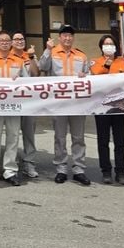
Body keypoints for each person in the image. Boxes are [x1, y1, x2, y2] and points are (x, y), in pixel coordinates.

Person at [0, 30, 35, 186]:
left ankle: (10, 171)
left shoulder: (19, 61)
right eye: (1, 40)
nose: (4, 43)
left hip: (14, 106)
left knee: (13, 137)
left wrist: (20, 80)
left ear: (11, 43)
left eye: (7, 40)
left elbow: (27, 82)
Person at [38, 24, 91, 185]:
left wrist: (85, 75)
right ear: (59, 37)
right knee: (60, 137)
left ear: (73, 38)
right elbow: (42, 67)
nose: (67, 38)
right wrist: (47, 50)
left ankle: (79, 169)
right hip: (59, 102)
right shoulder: (52, 52)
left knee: (78, 137)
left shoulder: (81, 55)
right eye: (64, 35)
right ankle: (61, 168)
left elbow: (90, 75)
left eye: (70, 35)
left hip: (77, 103)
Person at [91, 35, 124, 185]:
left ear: (115, 46)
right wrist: (106, 65)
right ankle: (106, 171)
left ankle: (120, 171)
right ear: (101, 47)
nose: (108, 46)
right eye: (105, 44)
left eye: (111, 43)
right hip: (101, 106)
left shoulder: (123, 62)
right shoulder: (95, 62)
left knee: (120, 140)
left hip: (119, 106)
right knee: (103, 140)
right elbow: (96, 78)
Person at [12, 31, 40, 179]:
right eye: (16, 39)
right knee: (13, 134)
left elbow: (36, 74)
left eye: (21, 39)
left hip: (29, 101)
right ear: (11, 42)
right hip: (13, 101)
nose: (19, 41)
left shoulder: (30, 56)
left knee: (29, 134)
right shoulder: (7, 56)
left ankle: (29, 163)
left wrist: (31, 57)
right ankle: (12, 162)